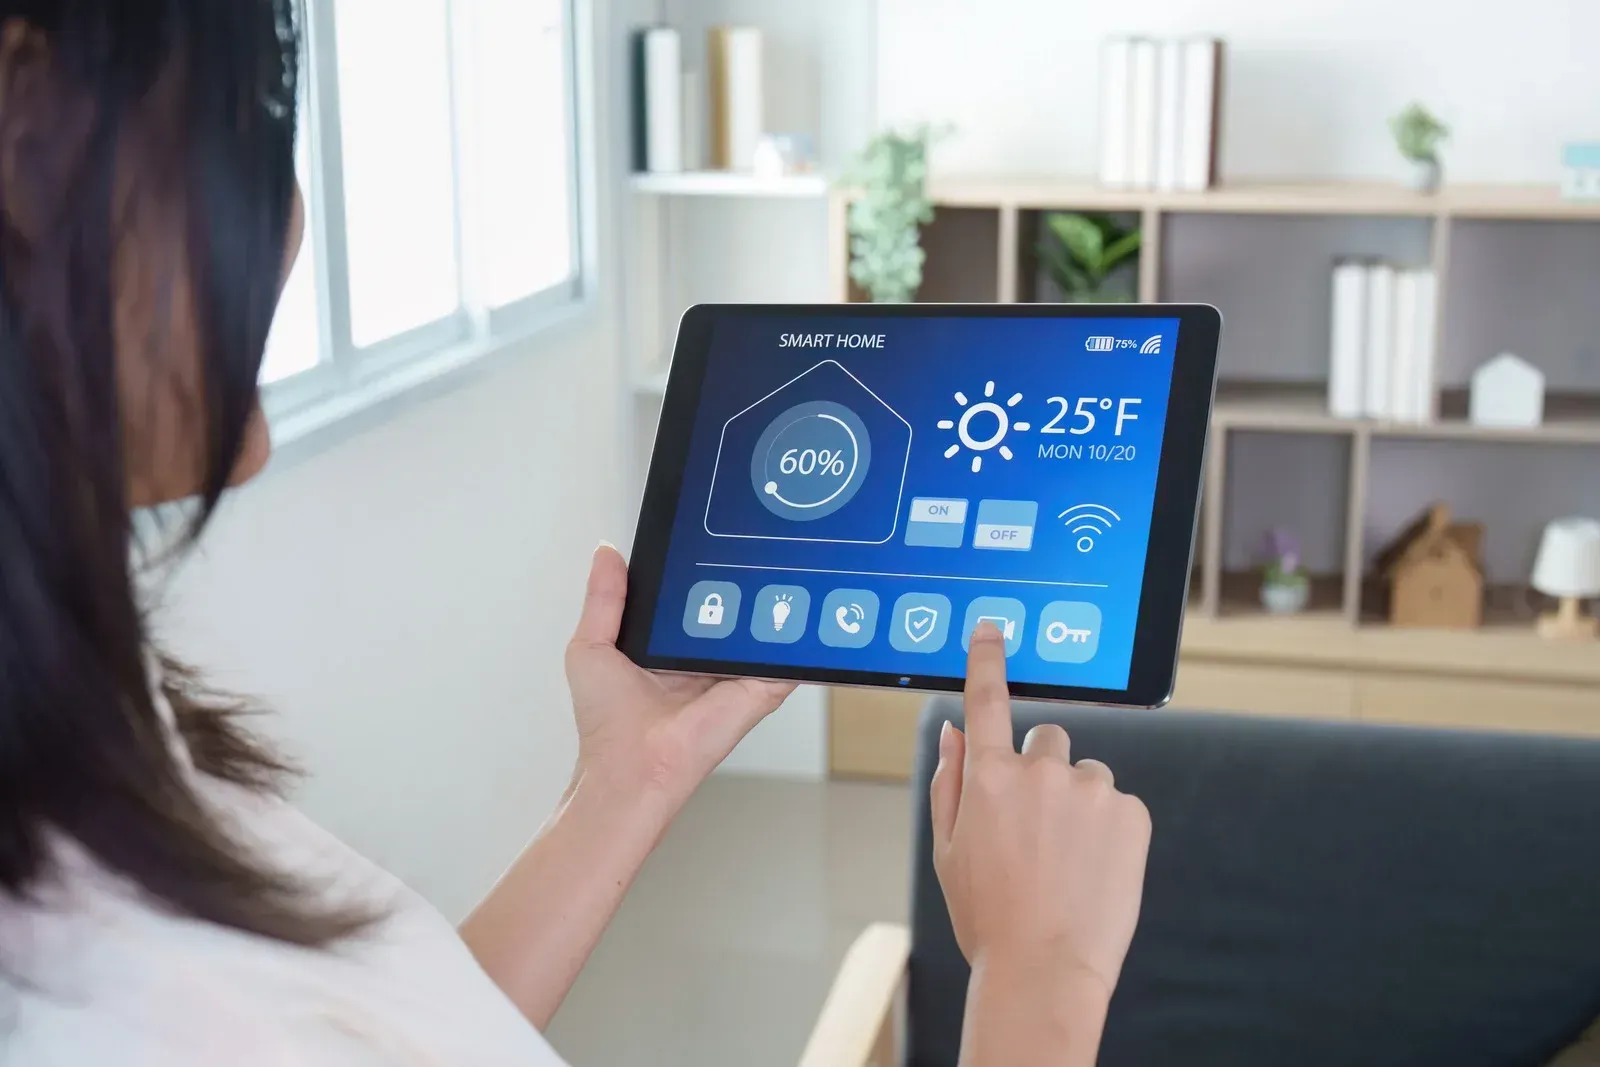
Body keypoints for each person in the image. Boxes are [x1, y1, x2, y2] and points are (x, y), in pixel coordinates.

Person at [0, 2, 1153, 1065]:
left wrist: (625, 778)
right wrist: (1039, 980)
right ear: (23, 139)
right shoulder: (92, 996)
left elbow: (404, 1040)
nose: (291, 212)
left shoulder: (78, 740)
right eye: (250, 121)